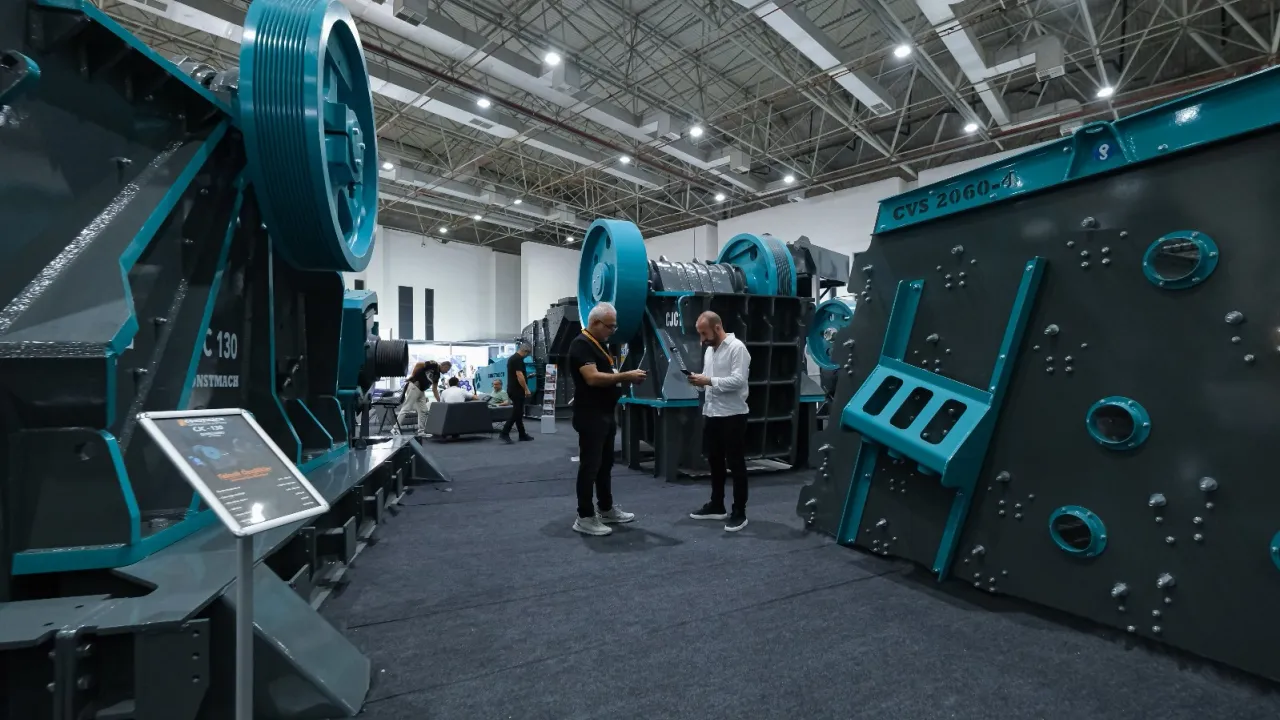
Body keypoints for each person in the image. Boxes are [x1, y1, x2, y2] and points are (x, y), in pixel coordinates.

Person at [568, 302, 647, 536]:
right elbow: (592, 378)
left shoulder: (598, 344)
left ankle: (605, 508)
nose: (613, 331)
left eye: (614, 326)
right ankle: (584, 516)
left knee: (604, 465)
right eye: (610, 326)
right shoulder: (581, 344)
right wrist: (626, 376)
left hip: (604, 413)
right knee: (590, 466)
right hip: (590, 415)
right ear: (595, 323)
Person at [686, 311, 752, 531]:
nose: (702, 339)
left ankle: (739, 511)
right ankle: (717, 504)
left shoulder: (737, 348)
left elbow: (738, 381)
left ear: (717, 327)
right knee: (715, 462)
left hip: (733, 415)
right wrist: (698, 382)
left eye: (704, 334)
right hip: (713, 413)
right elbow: (709, 381)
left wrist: (708, 380)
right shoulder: (709, 351)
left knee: (736, 463)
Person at [500, 344, 534, 443]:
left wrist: (527, 377)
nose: (527, 356)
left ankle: (522, 434)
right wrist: (526, 389)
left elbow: (517, 375)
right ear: (525, 351)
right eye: (528, 354)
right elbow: (519, 375)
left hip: (513, 389)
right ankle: (504, 433)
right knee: (516, 413)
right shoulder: (517, 359)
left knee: (519, 412)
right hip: (516, 390)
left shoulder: (513, 359)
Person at [395, 363, 432, 436]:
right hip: (414, 388)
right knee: (406, 408)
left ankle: (421, 431)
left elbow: (424, 385)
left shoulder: (423, 375)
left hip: (420, 390)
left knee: (424, 410)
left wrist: (424, 396)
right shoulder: (419, 375)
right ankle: (395, 429)